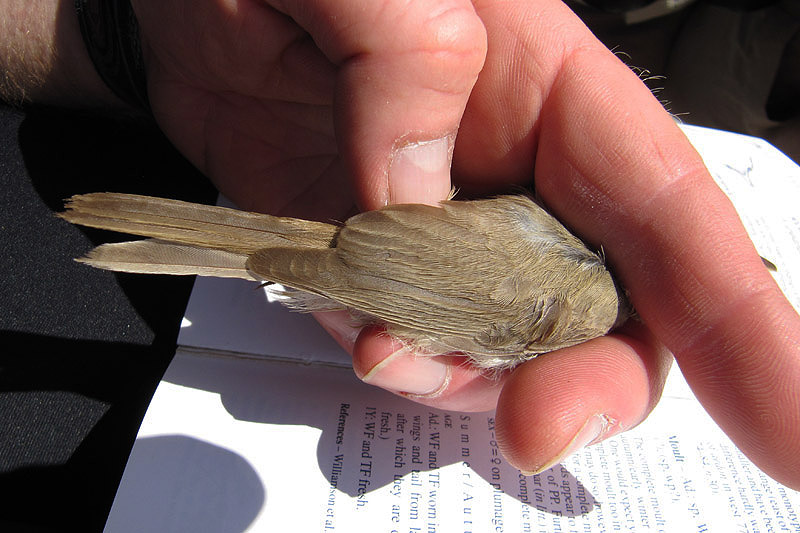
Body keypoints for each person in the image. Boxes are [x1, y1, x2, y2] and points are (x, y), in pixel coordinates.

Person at [2, 0, 798, 490]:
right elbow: (444, 283)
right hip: (384, 262)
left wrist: (118, 31)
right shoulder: (592, 300)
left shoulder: (589, 257)